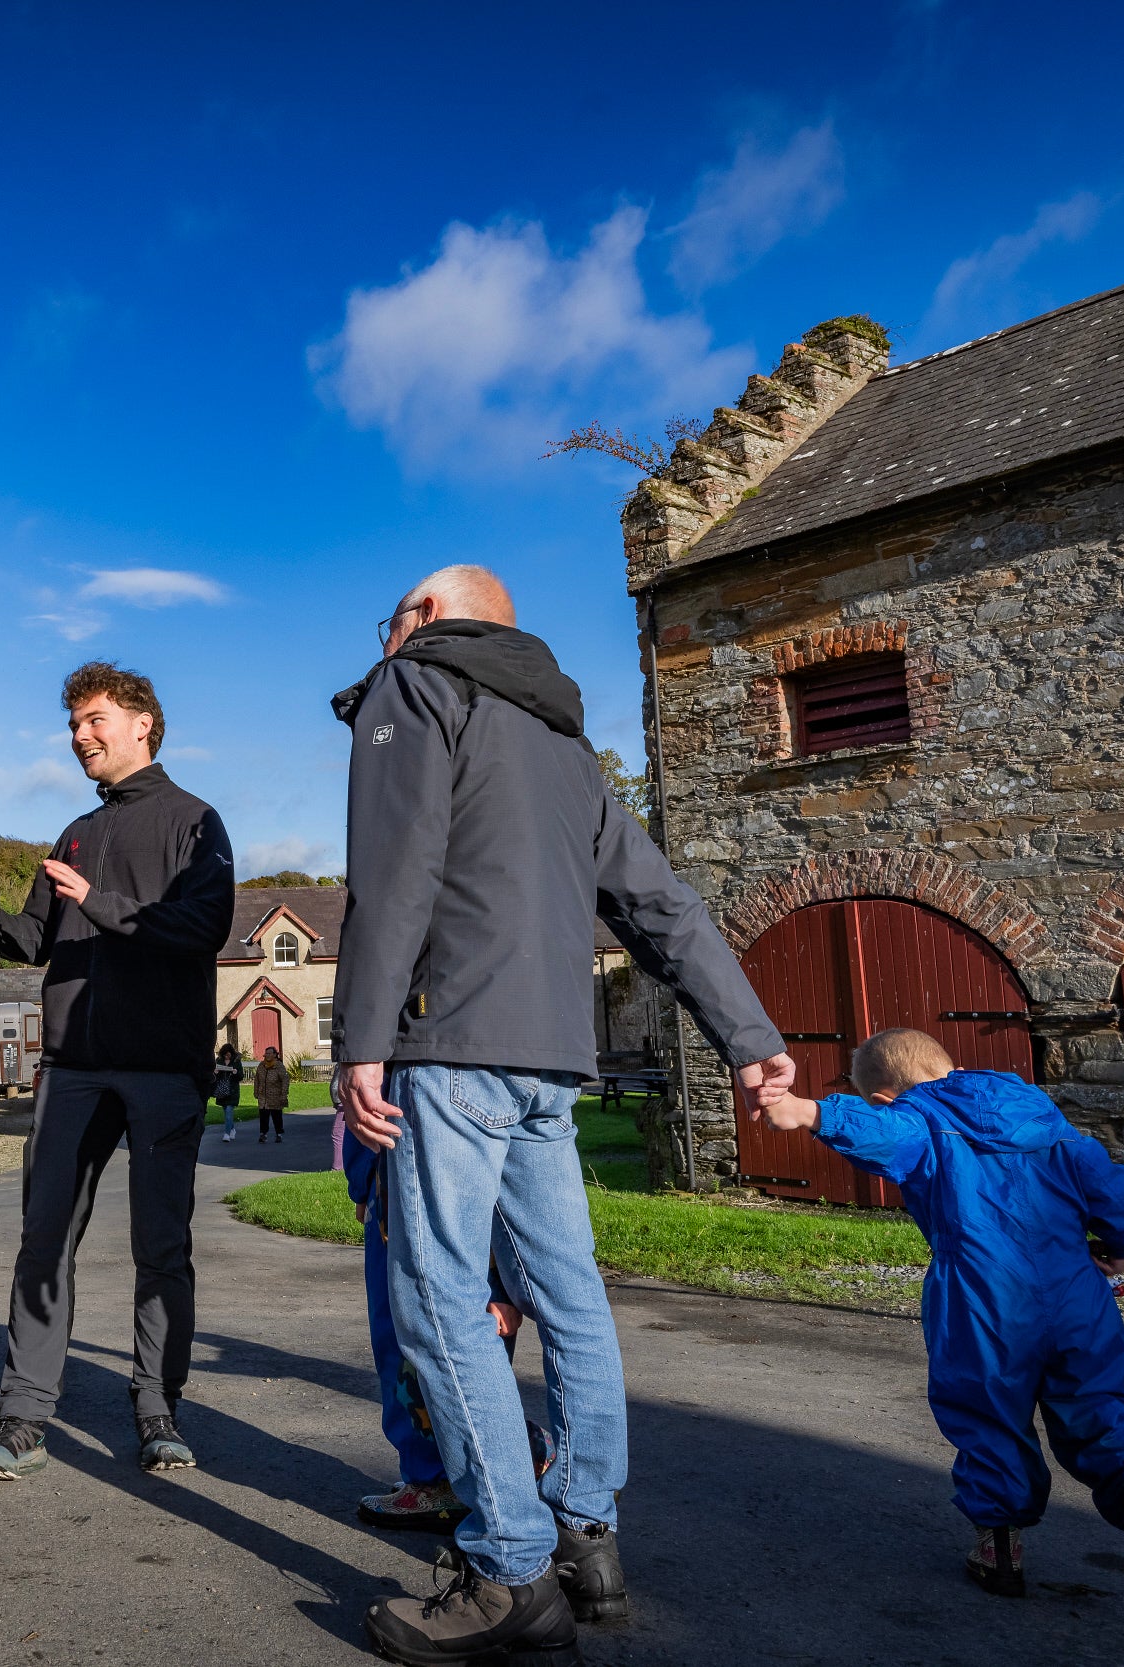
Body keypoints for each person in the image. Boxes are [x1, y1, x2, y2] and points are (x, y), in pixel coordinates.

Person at [334, 565, 795, 1666]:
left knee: (437, 1292)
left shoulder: (418, 686)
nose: (384, 638)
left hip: (453, 1042)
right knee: (568, 1292)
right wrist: (750, 1033)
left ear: (428, 617)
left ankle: (507, 1566)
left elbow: (393, 871)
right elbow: (659, 902)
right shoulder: (562, 745)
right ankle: (588, 1534)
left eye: (391, 619)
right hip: (549, 1058)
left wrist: (361, 1038)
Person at [761, 1029, 1124, 1605]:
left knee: (987, 1417)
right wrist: (1119, 1248)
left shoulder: (916, 1119)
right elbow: (1111, 1190)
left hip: (983, 1300)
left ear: (883, 1095)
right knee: (1100, 1404)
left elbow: (882, 1133)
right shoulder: (1041, 1116)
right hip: (1078, 1295)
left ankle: (1000, 1551)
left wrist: (807, 1111)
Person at [0, 660, 234, 1479]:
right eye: (72, 724)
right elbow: (35, 942)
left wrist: (98, 901)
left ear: (143, 721)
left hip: (163, 1067)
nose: (79, 736)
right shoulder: (72, 833)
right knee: (43, 1240)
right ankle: (24, 1417)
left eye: (94, 719)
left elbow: (201, 928)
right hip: (71, 1068)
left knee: (161, 1247)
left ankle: (160, 1413)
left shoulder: (194, 822)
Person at [344, 1119, 550, 1537]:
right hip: (409, 1155)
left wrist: (363, 1174)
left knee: (419, 1333)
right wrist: (363, 1177)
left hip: (423, 1147)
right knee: (415, 1330)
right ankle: (489, 1462)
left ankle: (443, 1477)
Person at [252, 1046, 291, 1142]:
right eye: (266, 1053)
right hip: (263, 1096)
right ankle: (263, 1134)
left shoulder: (279, 1066)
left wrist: (283, 1094)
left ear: (274, 1055)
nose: (267, 1055)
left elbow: (285, 1080)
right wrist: (256, 1091)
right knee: (263, 1116)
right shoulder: (261, 1065)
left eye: (269, 1053)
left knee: (276, 1115)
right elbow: (257, 1080)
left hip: (275, 1096)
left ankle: (279, 1134)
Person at [211, 1043, 244, 1141]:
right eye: (225, 1054)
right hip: (222, 1090)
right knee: (226, 1112)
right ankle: (232, 1129)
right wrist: (215, 1073)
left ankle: (226, 1134)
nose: (227, 1056)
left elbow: (241, 1076)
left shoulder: (236, 1062)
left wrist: (236, 1072)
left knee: (229, 1110)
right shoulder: (219, 1061)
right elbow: (214, 1076)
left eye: (228, 1054)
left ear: (231, 1053)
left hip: (232, 1090)